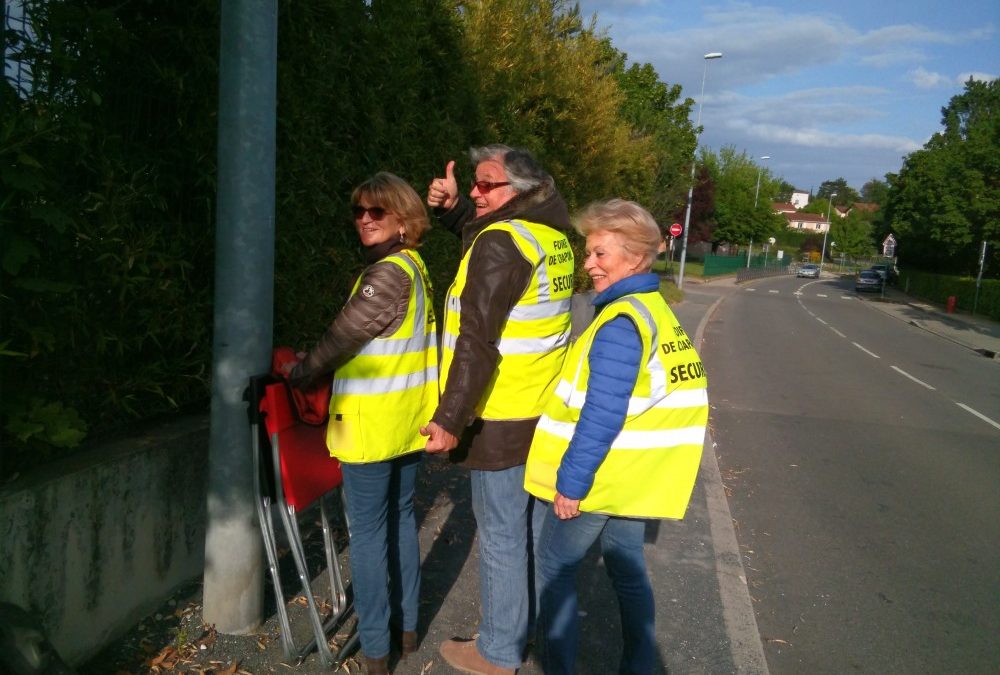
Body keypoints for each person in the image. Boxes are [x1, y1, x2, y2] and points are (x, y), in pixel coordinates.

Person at [524, 199, 709, 674]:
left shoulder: (621, 324)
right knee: (627, 572)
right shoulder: (655, 311)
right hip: (631, 479)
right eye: (589, 253)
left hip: (600, 480)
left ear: (636, 258)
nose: (589, 264)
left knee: (554, 570)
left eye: (600, 254)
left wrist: (572, 483)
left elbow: (602, 413)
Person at [422, 145, 574, 674]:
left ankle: (497, 652)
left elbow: (476, 341)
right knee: (527, 533)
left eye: (487, 185)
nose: (476, 192)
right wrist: (456, 211)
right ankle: (519, 634)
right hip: (538, 413)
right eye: (476, 184)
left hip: (497, 417)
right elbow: (500, 248)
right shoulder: (552, 238)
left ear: (522, 192)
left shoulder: (502, 244)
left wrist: (448, 419)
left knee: (502, 537)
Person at [288, 172, 437, 675]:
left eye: (379, 211)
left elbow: (343, 336)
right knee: (399, 523)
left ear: (404, 219)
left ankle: (375, 649)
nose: (366, 220)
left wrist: (301, 372)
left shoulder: (387, 274)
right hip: (406, 425)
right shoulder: (417, 268)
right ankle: (407, 630)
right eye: (359, 212)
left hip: (372, 429)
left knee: (370, 536)